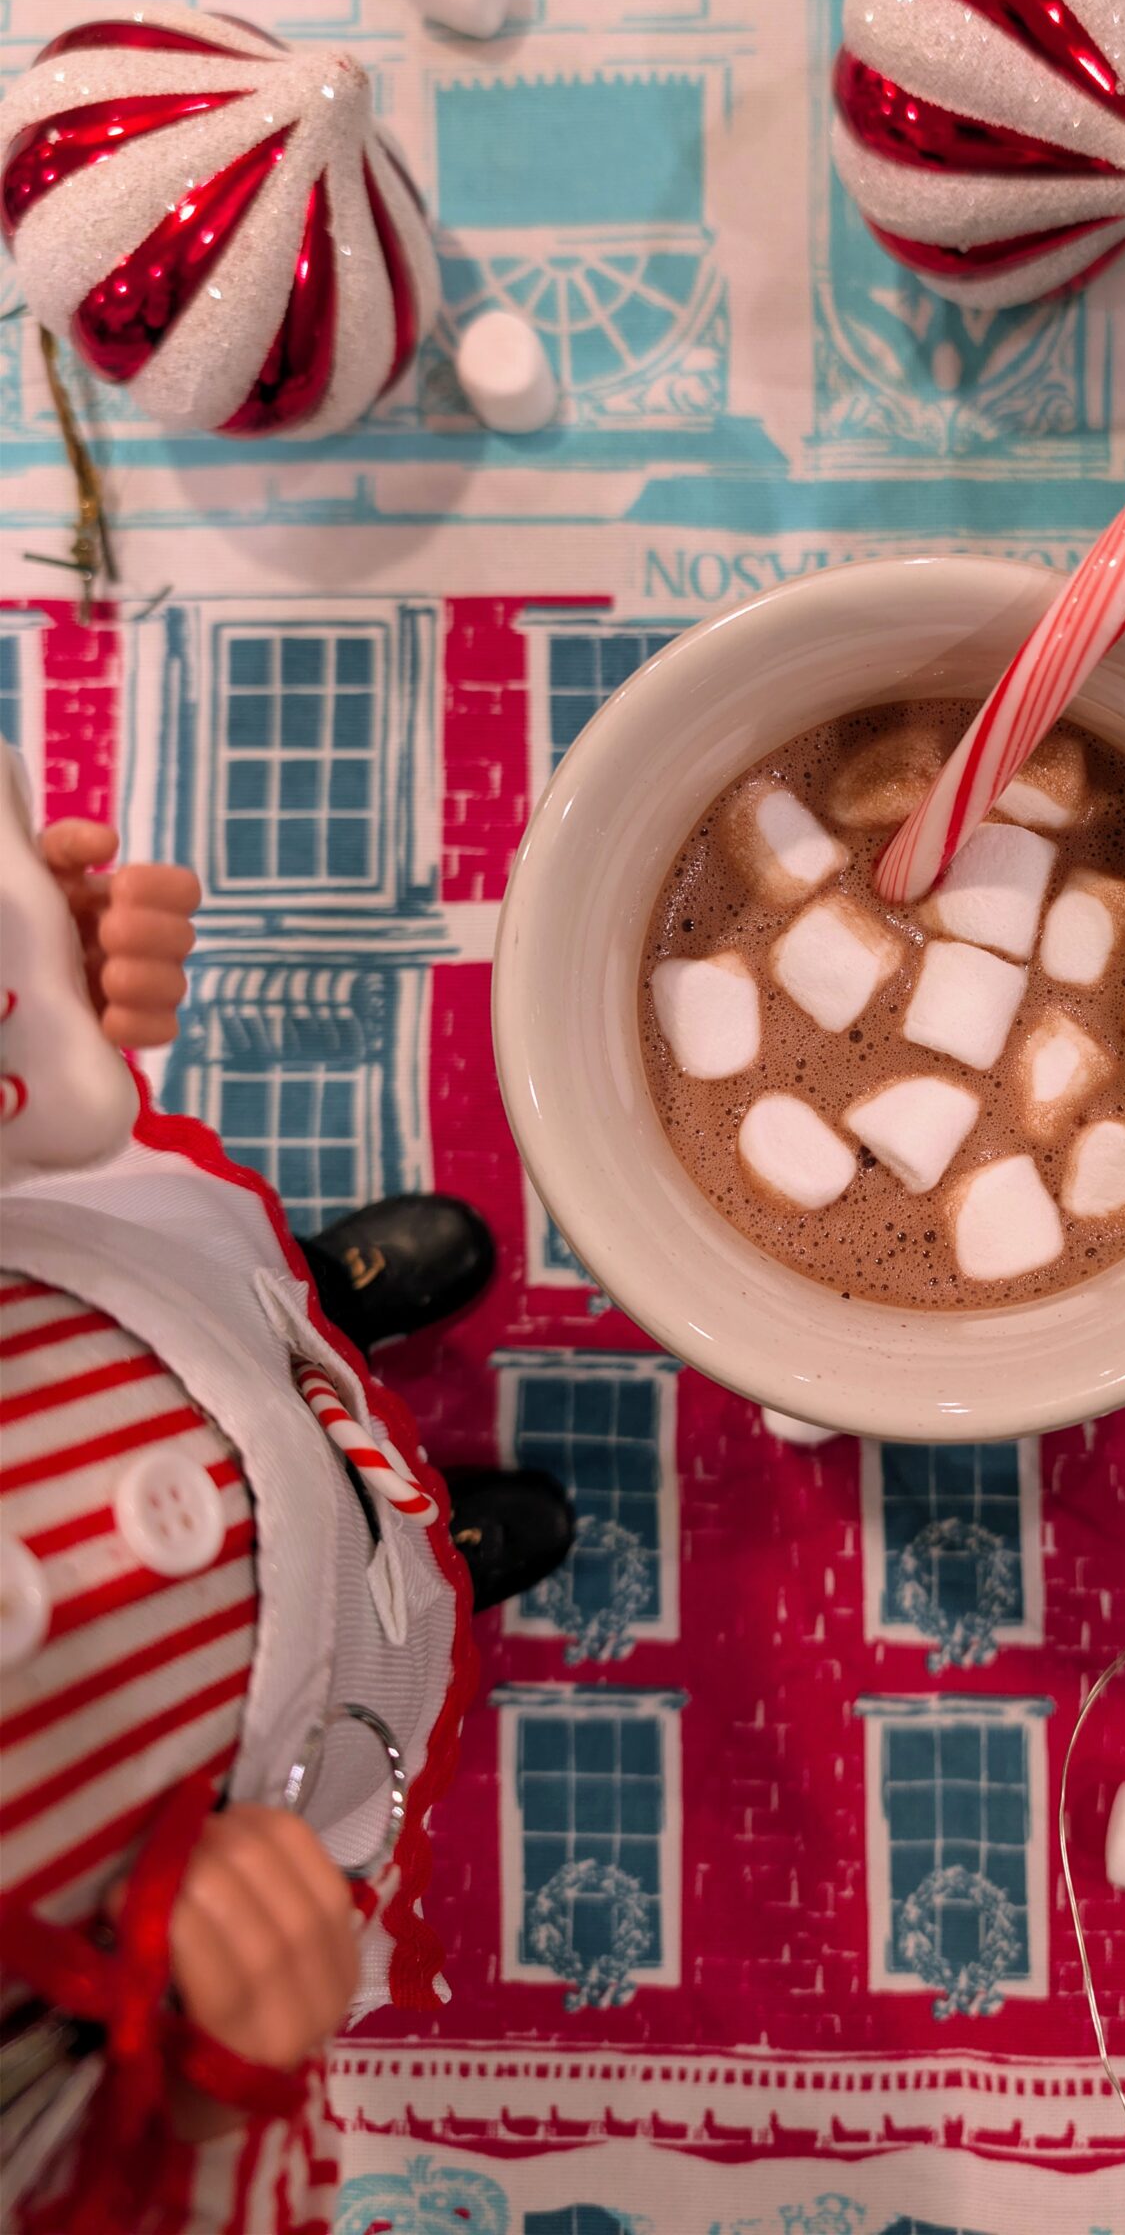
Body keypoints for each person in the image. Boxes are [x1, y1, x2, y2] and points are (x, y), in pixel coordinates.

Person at [0, 777, 573, 2235]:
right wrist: (212, 2084)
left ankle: (321, 1333)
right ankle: (422, 1553)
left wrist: (38, 995)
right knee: (359, 1636)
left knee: (254, 1345)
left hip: (99, 1324)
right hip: (224, 1804)